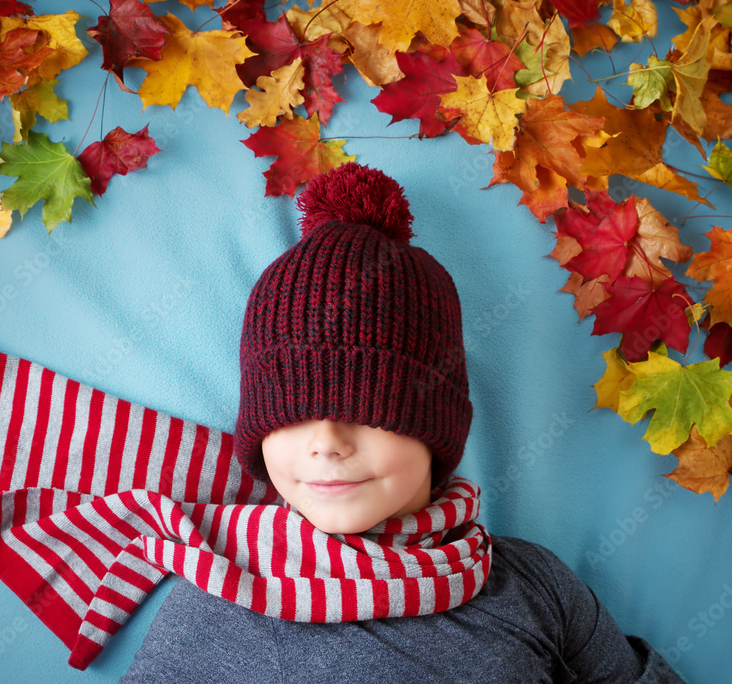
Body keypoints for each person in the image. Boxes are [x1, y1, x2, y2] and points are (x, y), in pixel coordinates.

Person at [119, 163, 685, 682]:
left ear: (434, 424)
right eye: (290, 414)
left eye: (366, 410)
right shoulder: (215, 592)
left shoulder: (532, 586)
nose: (326, 444)